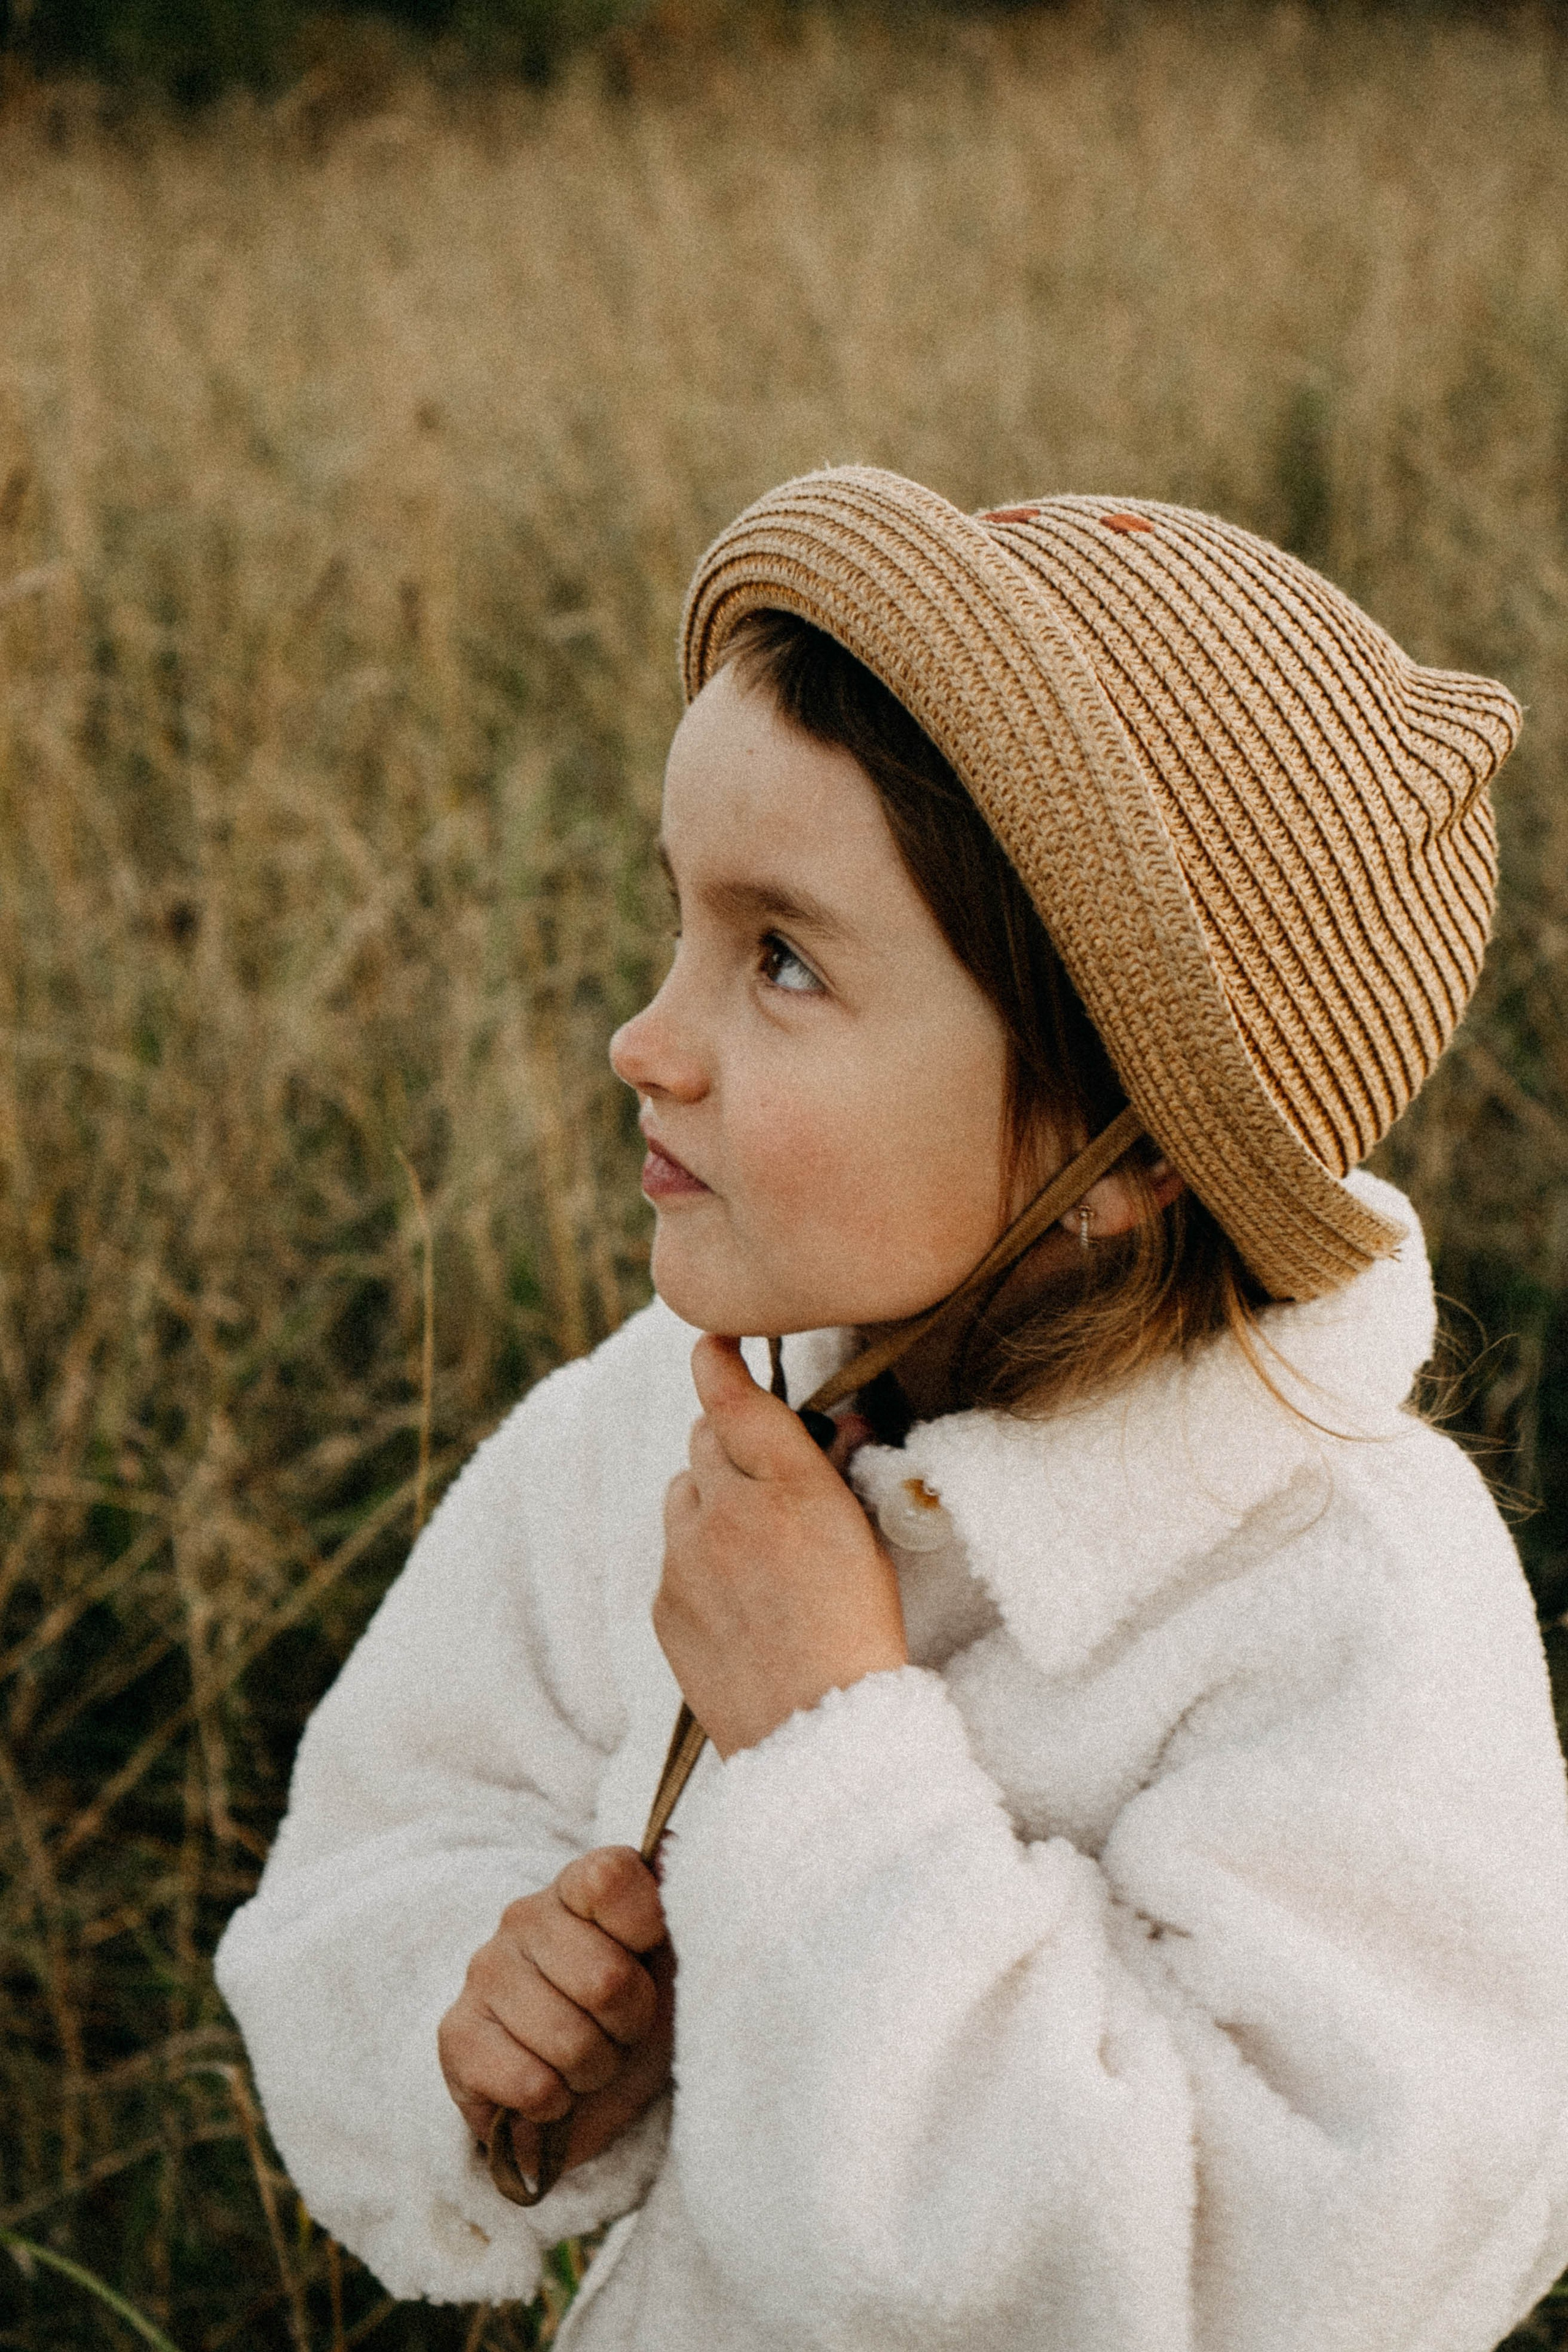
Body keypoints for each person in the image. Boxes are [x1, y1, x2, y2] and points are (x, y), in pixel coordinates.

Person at [215, 467, 1568, 2351]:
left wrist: (826, 1744)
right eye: (682, 923)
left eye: (782, 959)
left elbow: (1274, 2270)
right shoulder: (658, 1432)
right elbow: (382, 1834)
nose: (644, 1039)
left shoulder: (1341, 1600)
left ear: (1125, 1144)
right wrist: (485, 2021)